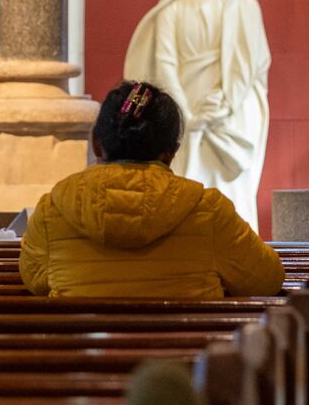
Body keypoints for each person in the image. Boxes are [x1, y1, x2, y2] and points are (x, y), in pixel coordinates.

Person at [20, 80, 286, 299]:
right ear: (171, 152)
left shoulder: (54, 210)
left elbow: (34, 279)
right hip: (186, 350)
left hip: (83, 349)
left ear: (96, 144)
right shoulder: (208, 211)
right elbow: (267, 279)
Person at [123, 0, 270, 232]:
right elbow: (164, 64)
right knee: (186, 185)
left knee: (230, 193)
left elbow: (252, 63)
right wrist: (185, 114)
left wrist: (225, 104)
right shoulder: (172, 10)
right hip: (186, 107)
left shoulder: (245, 7)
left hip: (230, 113)